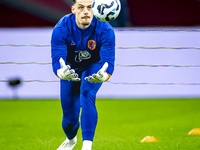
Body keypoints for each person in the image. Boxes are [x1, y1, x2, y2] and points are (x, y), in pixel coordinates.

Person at [51, 0, 115, 149]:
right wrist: (60, 72)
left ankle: (87, 146)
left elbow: (109, 60)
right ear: (73, 9)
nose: (86, 11)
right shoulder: (61, 28)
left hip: (93, 67)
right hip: (69, 70)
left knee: (87, 95)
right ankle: (71, 139)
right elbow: (56, 58)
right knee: (69, 121)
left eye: (90, 7)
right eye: (81, 7)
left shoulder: (105, 29)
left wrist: (105, 75)